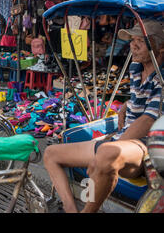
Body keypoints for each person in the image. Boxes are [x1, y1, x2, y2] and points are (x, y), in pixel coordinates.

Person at [44, 19, 164, 213]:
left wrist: (110, 146)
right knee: (51, 154)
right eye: (133, 40)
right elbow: (137, 101)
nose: (133, 44)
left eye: (141, 41)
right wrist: (125, 106)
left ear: (158, 46)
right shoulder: (136, 68)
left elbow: (147, 120)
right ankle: (70, 208)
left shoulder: (162, 77)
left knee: (106, 155)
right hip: (122, 138)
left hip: (148, 147)